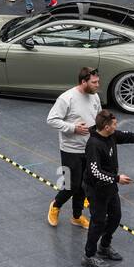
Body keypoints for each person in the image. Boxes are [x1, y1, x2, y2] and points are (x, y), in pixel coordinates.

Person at [81, 109, 134, 267]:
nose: (116, 126)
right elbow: (94, 172)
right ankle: (89, 256)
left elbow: (128, 136)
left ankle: (104, 247)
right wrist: (117, 178)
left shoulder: (111, 135)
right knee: (98, 222)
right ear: (106, 127)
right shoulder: (94, 145)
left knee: (115, 217)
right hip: (96, 189)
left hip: (109, 187)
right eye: (114, 124)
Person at [46, 67, 101, 231]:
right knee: (71, 185)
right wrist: (73, 128)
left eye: (98, 81)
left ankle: (77, 217)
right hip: (70, 150)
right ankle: (55, 205)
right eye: (94, 82)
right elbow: (51, 120)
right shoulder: (67, 98)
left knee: (84, 185)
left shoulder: (94, 96)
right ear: (84, 81)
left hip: (89, 149)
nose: (98, 85)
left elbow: (96, 117)